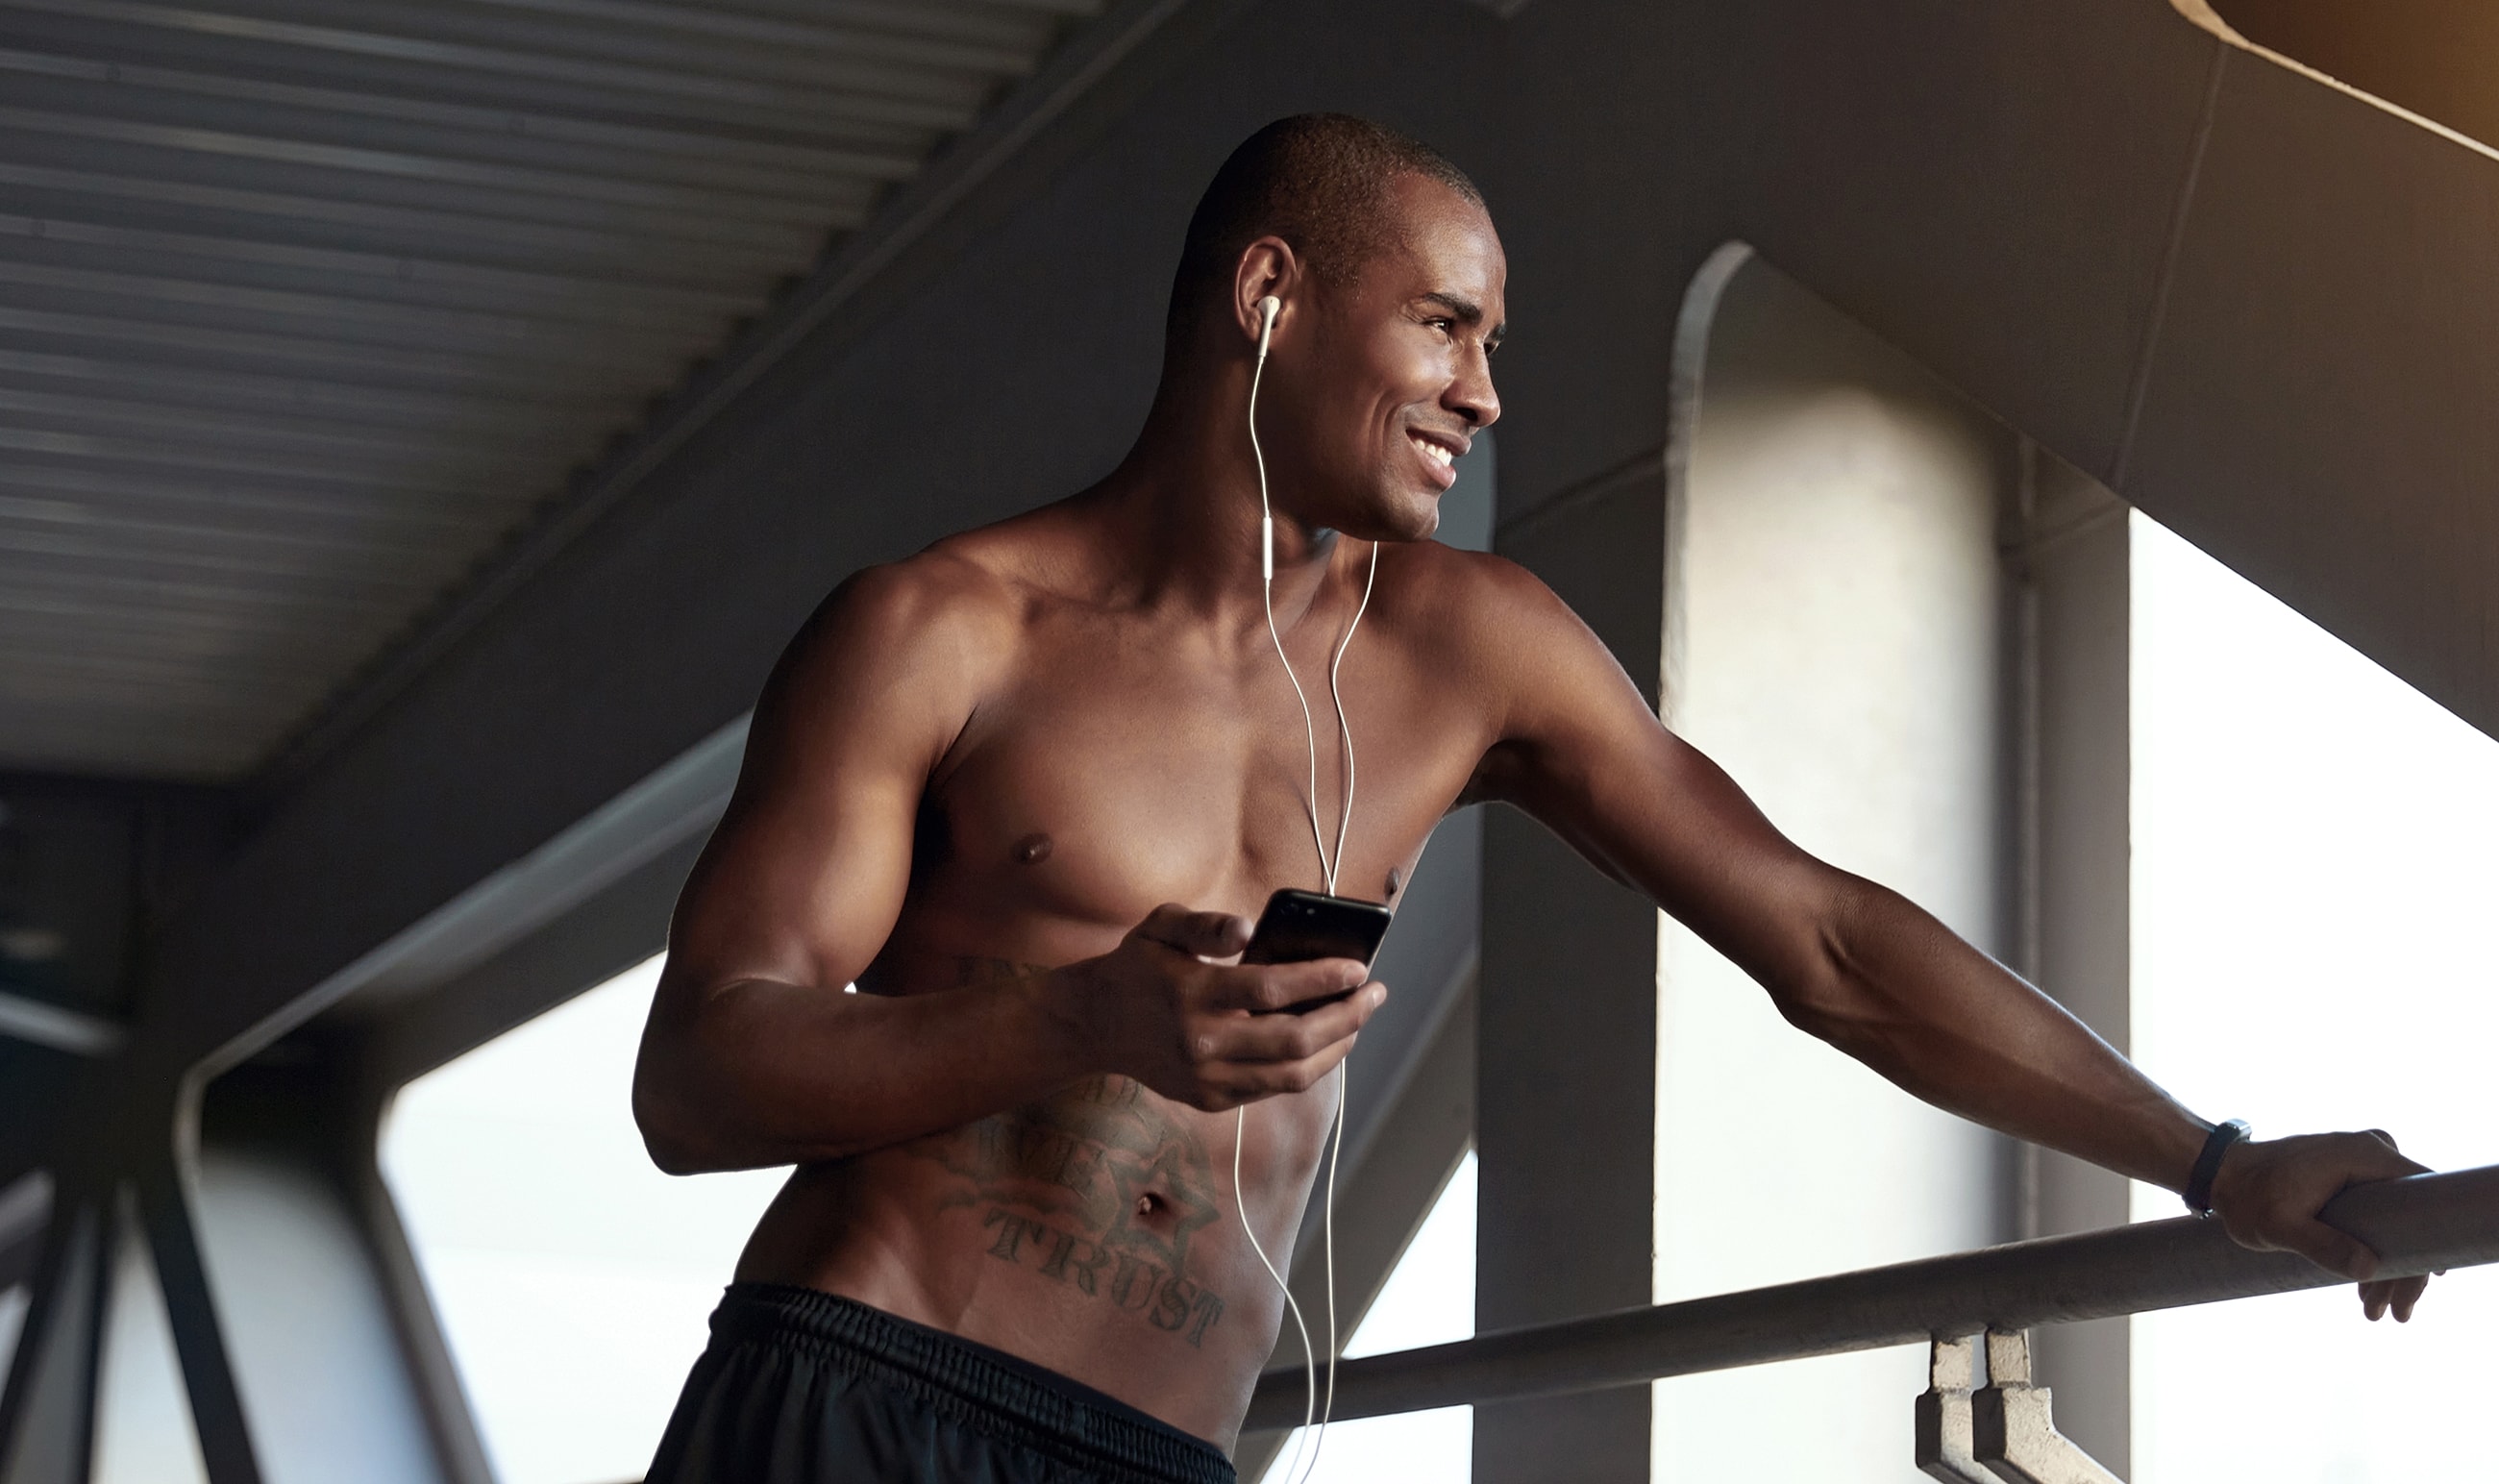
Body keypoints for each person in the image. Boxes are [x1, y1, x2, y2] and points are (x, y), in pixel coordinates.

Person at [631, 113, 2426, 1484]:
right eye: (1444, 327)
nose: (1485, 395)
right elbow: (699, 1076)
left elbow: (1825, 942)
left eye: (1493, 344)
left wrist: (2217, 1164)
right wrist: (1079, 1016)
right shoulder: (941, 631)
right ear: (1270, 297)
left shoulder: (1470, 649)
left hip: (1165, 1455)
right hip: (857, 1390)